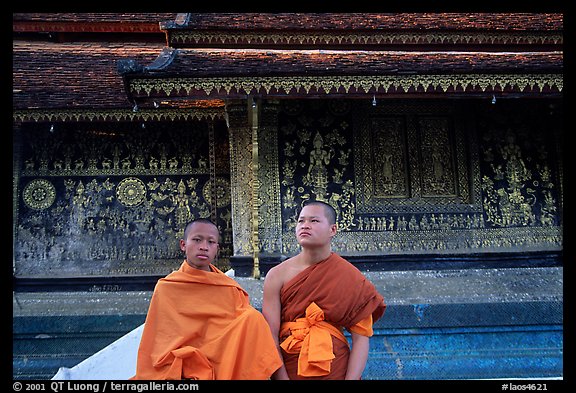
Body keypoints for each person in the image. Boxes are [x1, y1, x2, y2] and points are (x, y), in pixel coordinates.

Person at [132, 218, 283, 380]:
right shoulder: (168, 287)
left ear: (217, 248)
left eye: (211, 242)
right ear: (183, 245)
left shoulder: (228, 286)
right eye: (197, 240)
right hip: (187, 360)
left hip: (224, 354)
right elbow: (160, 340)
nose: (204, 247)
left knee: (253, 318)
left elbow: (239, 329)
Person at [262, 200, 386, 380]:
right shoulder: (277, 275)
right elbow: (269, 335)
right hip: (289, 366)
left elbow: (361, 338)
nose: (305, 226)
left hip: (335, 368)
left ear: (333, 230)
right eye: (301, 221)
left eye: (314, 221)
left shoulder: (350, 277)